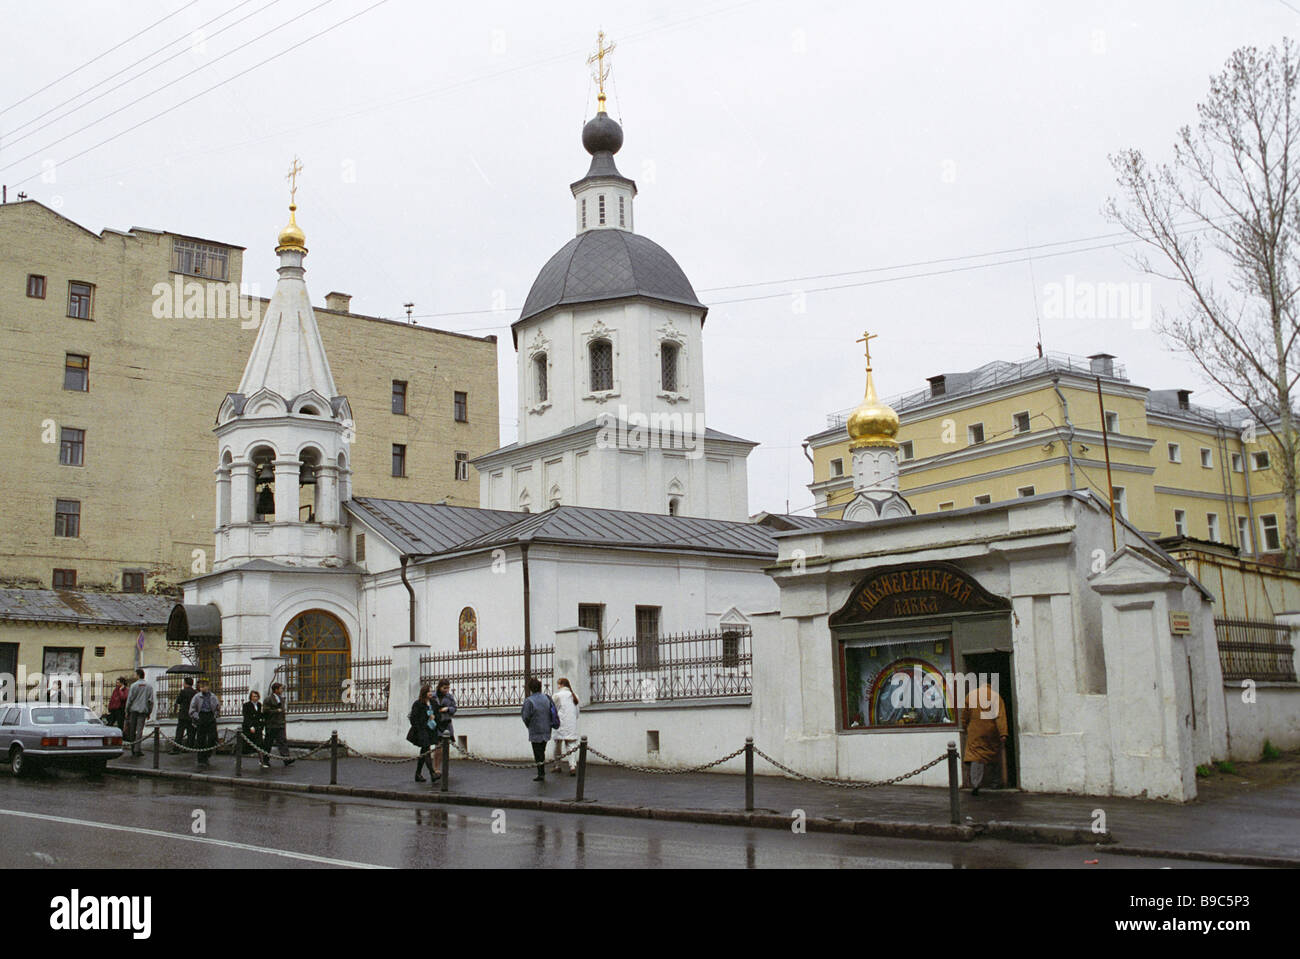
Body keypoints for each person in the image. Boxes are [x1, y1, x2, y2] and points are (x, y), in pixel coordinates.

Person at [961, 681, 1008, 796]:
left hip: (974, 731)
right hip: (991, 730)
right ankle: (995, 782)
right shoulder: (995, 696)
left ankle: (975, 784)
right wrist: (1003, 733)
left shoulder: (971, 696)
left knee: (976, 756)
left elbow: (964, 715)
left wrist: (965, 726)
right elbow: (1000, 716)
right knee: (993, 755)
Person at [521, 677, 557, 782]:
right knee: (542, 750)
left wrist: (529, 725)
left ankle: (541, 773)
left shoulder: (529, 701)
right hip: (546, 728)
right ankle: (541, 771)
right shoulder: (547, 698)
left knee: (537, 752)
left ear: (531, 688)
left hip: (535, 730)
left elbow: (525, 716)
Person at [551, 677, 581, 776]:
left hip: (560, 724)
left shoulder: (557, 696)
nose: (558, 686)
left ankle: (557, 766)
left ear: (561, 685)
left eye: (558, 684)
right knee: (571, 746)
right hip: (571, 724)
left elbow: (553, 710)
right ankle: (572, 766)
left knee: (557, 745)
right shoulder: (574, 696)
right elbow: (577, 712)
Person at [189, 679, 221, 768]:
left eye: (204, 687)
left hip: (210, 716)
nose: (202, 689)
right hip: (201, 716)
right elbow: (192, 709)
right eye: (201, 687)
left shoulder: (213, 696)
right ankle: (201, 759)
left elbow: (217, 707)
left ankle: (207, 755)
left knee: (212, 737)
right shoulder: (197, 697)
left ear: (208, 687)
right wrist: (197, 717)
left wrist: (215, 715)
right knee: (201, 739)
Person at [123, 668, 155, 757]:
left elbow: (129, 699)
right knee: (140, 731)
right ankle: (138, 749)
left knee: (132, 730)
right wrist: (149, 712)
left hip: (133, 711)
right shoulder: (149, 686)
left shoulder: (133, 686)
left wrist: (127, 710)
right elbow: (151, 701)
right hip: (143, 711)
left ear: (138, 675)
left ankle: (133, 748)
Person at [262, 682, 293, 767]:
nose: (282, 690)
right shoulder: (268, 699)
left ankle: (286, 759)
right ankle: (265, 760)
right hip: (271, 725)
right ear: (276, 690)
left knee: (282, 741)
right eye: (280, 688)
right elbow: (265, 711)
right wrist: (276, 711)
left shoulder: (281, 699)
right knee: (268, 743)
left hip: (280, 724)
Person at [430, 678, 457, 780]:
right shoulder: (433, 696)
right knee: (438, 747)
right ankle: (436, 768)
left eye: (448, 688)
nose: (446, 690)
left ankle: (444, 768)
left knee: (445, 748)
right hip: (437, 724)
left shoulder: (449, 697)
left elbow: (454, 708)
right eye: (444, 688)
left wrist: (448, 709)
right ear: (439, 687)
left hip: (446, 724)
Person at [409, 684, 435, 782]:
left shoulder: (432, 703)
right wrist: (419, 728)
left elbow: (436, 712)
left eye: (431, 691)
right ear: (424, 693)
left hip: (429, 730)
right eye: (429, 691)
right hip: (421, 730)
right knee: (426, 749)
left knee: (424, 751)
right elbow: (413, 718)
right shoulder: (418, 704)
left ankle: (418, 774)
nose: (431, 693)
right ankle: (432, 773)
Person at [172, 677, 196, 754]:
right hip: (191, 715)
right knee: (191, 732)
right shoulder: (195, 692)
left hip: (183, 714)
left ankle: (177, 748)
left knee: (179, 732)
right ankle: (189, 747)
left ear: (185, 683)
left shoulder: (183, 692)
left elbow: (178, 701)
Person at [242, 690, 265, 758]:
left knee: (259, 740)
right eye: (254, 696)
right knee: (249, 740)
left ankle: (259, 753)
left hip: (257, 725)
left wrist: (262, 724)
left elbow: (260, 715)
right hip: (249, 725)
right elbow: (246, 717)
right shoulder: (246, 705)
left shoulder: (259, 704)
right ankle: (248, 753)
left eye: (257, 696)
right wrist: (250, 726)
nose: (256, 698)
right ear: (251, 697)